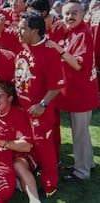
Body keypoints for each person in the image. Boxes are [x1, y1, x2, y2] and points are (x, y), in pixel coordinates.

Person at [13, 10, 65, 198]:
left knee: (44, 146)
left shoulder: (49, 53)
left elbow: (57, 86)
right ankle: (32, 173)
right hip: (22, 108)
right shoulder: (24, 44)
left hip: (38, 111)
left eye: (22, 29)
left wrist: (42, 104)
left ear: (35, 30)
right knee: (30, 144)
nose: (19, 32)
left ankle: (50, 185)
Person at [46, 0, 99, 182]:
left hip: (82, 94)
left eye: (74, 13)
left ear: (83, 15)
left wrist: (59, 50)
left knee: (80, 134)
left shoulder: (83, 33)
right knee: (81, 132)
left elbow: (78, 64)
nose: (69, 17)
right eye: (66, 13)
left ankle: (81, 172)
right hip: (78, 92)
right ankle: (86, 163)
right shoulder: (74, 30)